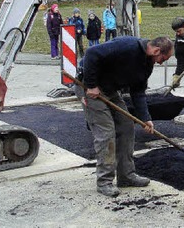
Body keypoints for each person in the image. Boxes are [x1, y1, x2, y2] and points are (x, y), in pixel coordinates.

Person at [74, 36, 174, 197]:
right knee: (106, 132)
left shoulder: (147, 64)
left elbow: (138, 91)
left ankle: (126, 176)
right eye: (164, 58)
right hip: (90, 89)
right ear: (156, 51)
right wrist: (91, 85)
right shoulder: (128, 46)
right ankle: (104, 181)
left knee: (127, 126)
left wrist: (145, 118)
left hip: (111, 90)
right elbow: (92, 53)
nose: (162, 62)